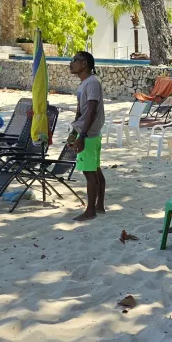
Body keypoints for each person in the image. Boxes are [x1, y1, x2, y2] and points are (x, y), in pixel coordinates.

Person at [68, 51, 106, 221]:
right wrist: (74, 132)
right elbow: (81, 111)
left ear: (84, 64)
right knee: (95, 170)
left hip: (88, 134)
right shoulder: (86, 83)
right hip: (88, 132)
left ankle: (91, 210)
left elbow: (91, 110)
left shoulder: (92, 83)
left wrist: (81, 136)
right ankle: (99, 206)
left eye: (75, 60)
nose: (71, 63)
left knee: (89, 173)